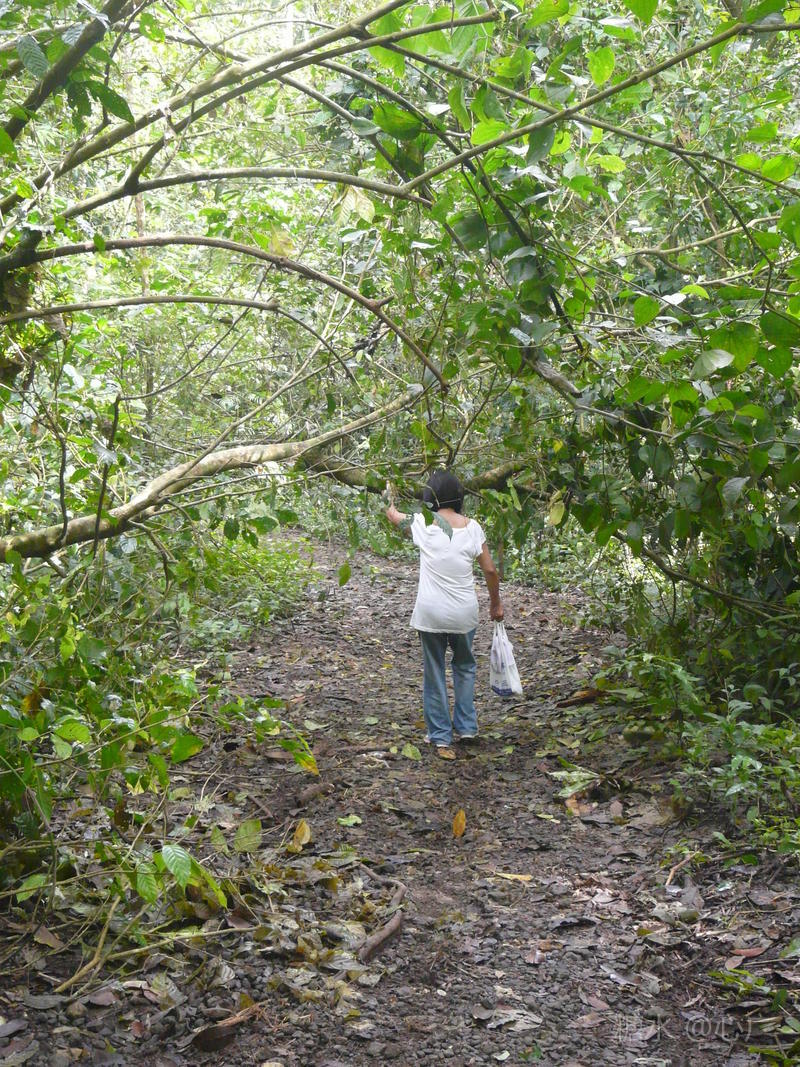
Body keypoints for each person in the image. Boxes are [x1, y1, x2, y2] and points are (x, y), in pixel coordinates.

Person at [385, 469, 504, 760]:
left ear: (431, 496)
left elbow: (392, 515)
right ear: (459, 496)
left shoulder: (423, 523)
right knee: (464, 666)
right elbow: (490, 570)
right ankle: (467, 727)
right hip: (463, 614)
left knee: (434, 670)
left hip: (431, 613)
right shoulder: (473, 528)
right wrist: (495, 604)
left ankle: (440, 735)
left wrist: (389, 491)